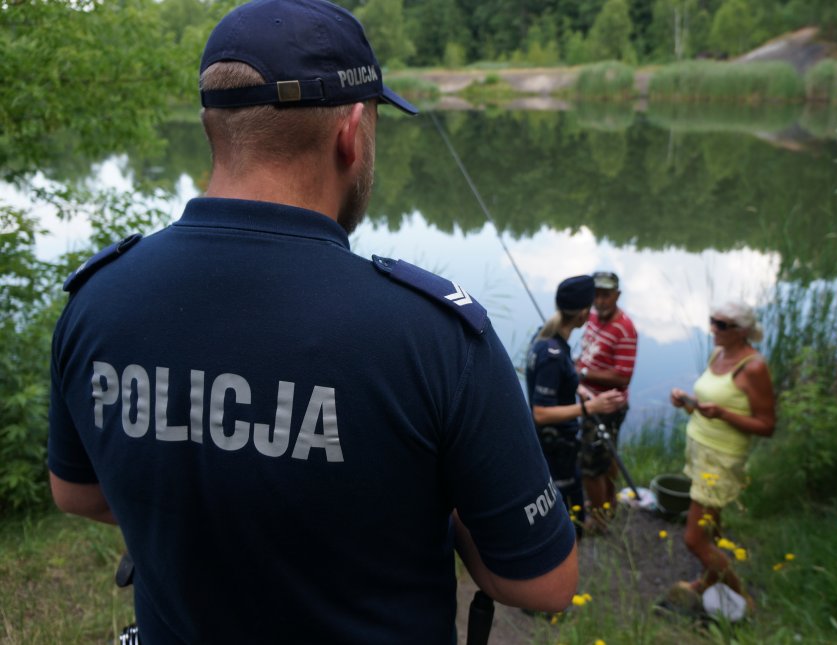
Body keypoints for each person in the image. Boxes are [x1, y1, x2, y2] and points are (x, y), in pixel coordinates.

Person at [46, 1, 577, 641]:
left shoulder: (97, 299)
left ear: (213, 127)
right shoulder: (434, 336)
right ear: (351, 132)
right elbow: (543, 583)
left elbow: (75, 492)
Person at [669, 301, 776, 611]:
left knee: (694, 539)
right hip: (700, 448)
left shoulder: (753, 367)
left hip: (721, 458)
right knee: (709, 526)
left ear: (742, 331)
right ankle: (707, 581)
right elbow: (709, 402)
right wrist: (686, 402)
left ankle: (741, 598)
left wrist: (722, 414)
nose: (713, 328)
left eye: (722, 325)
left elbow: (767, 425)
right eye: (712, 321)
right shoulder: (718, 354)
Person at [526, 275, 625, 536]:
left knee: (568, 499)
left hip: (560, 446)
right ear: (583, 314)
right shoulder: (553, 354)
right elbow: (541, 413)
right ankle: (568, 552)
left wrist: (576, 388)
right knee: (569, 514)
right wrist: (592, 408)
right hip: (556, 446)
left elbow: (556, 382)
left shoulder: (543, 337)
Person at [575, 271, 638, 522]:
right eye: (596, 295)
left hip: (607, 407)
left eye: (606, 295)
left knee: (590, 466)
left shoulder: (624, 328)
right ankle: (609, 504)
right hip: (590, 400)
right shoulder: (592, 317)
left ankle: (599, 521)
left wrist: (583, 371)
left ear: (617, 295)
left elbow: (623, 377)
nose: (600, 300)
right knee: (606, 456)